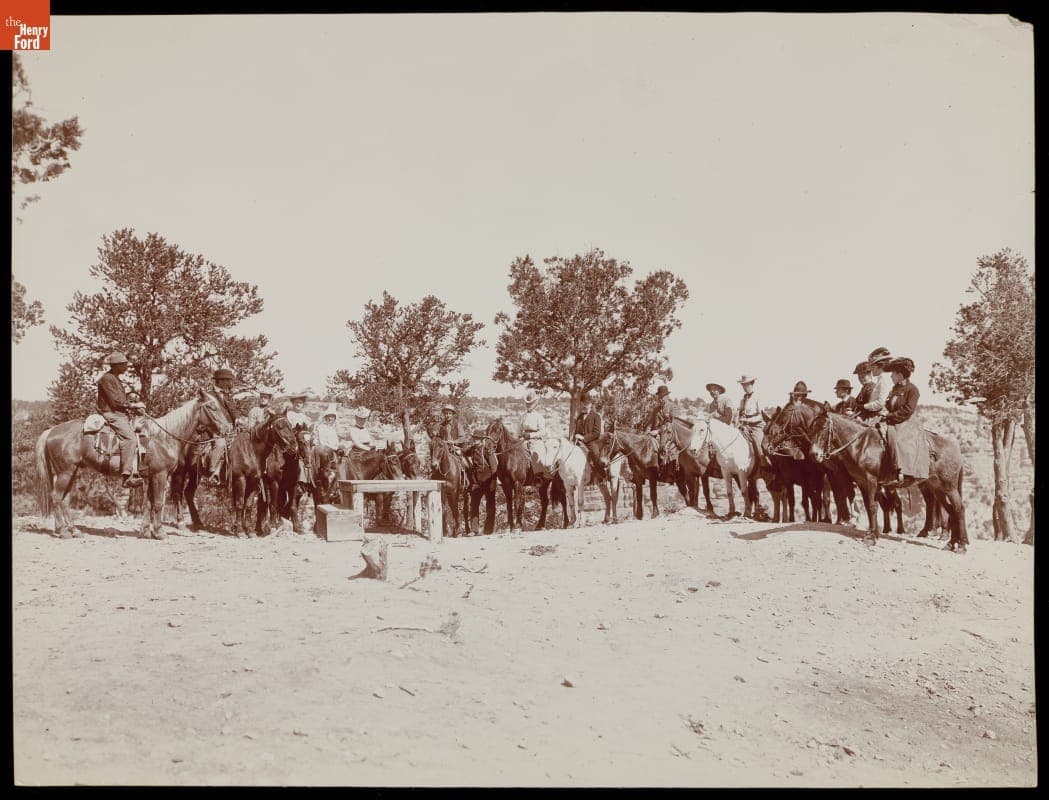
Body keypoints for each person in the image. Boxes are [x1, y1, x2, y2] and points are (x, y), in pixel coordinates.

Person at [881, 357, 929, 489]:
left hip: (906, 422)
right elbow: (888, 404)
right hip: (892, 419)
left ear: (900, 374)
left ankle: (901, 472)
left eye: (893, 373)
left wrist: (890, 415)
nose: (891, 376)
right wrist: (885, 411)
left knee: (896, 439)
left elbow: (908, 410)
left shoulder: (913, 390)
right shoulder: (895, 389)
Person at [96, 352, 142, 488]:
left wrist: (132, 406)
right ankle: (127, 476)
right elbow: (115, 402)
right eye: (124, 364)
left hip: (119, 413)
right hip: (112, 414)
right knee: (130, 439)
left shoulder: (114, 378)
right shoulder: (107, 379)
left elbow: (119, 400)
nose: (126, 367)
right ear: (116, 366)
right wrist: (132, 406)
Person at [736, 374, 767, 468]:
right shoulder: (742, 400)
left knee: (759, 444)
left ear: (752, 384)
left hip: (757, 426)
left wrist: (748, 419)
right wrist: (738, 421)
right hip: (744, 425)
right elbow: (740, 413)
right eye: (743, 385)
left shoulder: (757, 397)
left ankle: (764, 463)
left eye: (746, 385)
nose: (744, 387)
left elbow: (761, 416)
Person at [573, 391, 604, 478]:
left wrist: (583, 438)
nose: (585, 405)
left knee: (596, 454)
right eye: (583, 403)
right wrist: (576, 437)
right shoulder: (579, 417)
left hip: (591, 442)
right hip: (579, 441)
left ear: (591, 404)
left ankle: (601, 476)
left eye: (587, 403)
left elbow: (596, 433)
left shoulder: (596, 416)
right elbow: (577, 431)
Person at [518, 390, 549, 477]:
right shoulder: (522, 416)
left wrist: (531, 435)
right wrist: (518, 437)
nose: (529, 406)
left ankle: (538, 476)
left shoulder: (539, 416)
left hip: (535, 441)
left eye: (531, 404)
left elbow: (543, 432)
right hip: (523, 440)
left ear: (535, 404)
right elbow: (519, 430)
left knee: (536, 454)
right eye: (527, 404)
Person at [647, 384, 676, 476]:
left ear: (667, 396)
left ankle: (666, 470)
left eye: (662, 396)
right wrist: (646, 432)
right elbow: (650, 423)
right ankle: (642, 473)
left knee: (664, 448)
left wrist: (658, 431)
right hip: (654, 434)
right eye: (659, 396)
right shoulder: (655, 409)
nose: (660, 398)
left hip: (667, 433)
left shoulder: (673, 407)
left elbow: (674, 424)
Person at [862, 347, 895, 421]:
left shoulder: (884, 379)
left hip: (880, 416)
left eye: (872, 366)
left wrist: (864, 406)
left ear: (880, 365)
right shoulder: (881, 379)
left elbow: (880, 403)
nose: (870, 370)